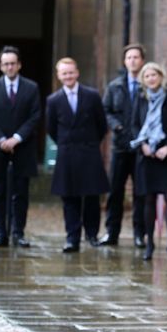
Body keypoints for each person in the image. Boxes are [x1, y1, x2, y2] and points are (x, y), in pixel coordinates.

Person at [46, 58, 110, 253]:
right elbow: (51, 128)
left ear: (77, 72)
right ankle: (72, 238)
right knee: (69, 198)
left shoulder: (92, 95)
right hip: (67, 154)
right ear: (59, 76)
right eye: (64, 73)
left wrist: (90, 143)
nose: (68, 76)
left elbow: (102, 125)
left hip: (89, 152)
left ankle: (92, 234)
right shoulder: (53, 100)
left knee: (92, 197)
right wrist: (67, 143)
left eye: (71, 72)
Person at [0, 45, 41, 248]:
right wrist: (1, 139)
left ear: (19, 65)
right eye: (6, 64)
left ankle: (18, 233)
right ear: (1, 66)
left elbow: (35, 116)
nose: (9, 67)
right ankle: (1, 234)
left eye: (13, 63)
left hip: (23, 147)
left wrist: (16, 138)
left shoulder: (31, 87)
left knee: (21, 192)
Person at [130, 62, 167, 261]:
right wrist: (143, 145)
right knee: (149, 198)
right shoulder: (140, 96)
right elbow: (134, 124)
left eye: (154, 75)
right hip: (147, 155)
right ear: (143, 80)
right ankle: (150, 245)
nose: (151, 79)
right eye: (147, 76)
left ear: (161, 76)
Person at [100, 44, 147, 248]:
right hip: (119, 146)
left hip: (142, 148)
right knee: (115, 191)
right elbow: (105, 110)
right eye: (129, 57)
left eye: (136, 57)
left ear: (142, 61)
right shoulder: (114, 86)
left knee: (140, 193)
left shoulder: (148, 84)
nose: (133, 61)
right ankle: (111, 233)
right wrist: (116, 126)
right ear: (124, 61)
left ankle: (139, 234)